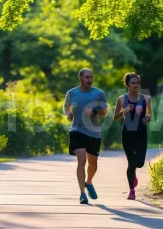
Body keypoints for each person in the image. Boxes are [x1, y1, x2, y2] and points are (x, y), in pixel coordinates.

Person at [64, 68, 109, 204]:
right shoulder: (72, 93)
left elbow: (105, 112)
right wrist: (68, 114)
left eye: (91, 77)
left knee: (93, 165)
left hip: (94, 132)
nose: (89, 80)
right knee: (81, 161)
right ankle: (82, 193)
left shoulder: (98, 93)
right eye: (87, 77)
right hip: (77, 130)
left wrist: (94, 111)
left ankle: (88, 182)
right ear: (80, 78)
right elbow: (66, 107)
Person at [113, 72, 152, 200]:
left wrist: (147, 118)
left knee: (140, 163)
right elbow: (115, 117)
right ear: (127, 84)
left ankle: (134, 172)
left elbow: (149, 115)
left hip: (141, 133)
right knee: (131, 162)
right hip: (127, 134)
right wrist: (125, 110)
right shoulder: (122, 99)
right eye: (133, 83)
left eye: (137, 83)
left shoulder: (146, 99)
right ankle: (131, 190)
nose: (135, 85)